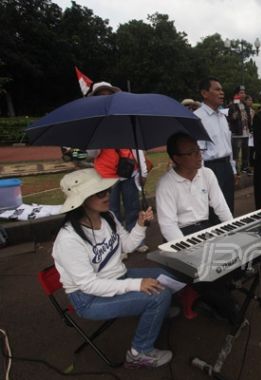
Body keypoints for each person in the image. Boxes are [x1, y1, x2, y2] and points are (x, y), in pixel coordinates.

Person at [51, 168, 173, 368]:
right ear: (82, 199)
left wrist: (141, 225)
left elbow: (128, 245)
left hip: (118, 277)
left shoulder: (107, 216)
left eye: (107, 190)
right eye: (100, 192)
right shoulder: (68, 239)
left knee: (166, 275)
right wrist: (136, 285)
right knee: (159, 296)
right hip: (88, 299)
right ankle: (139, 353)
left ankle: (157, 311)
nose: (107, 195)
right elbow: (89, 285)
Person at [90, 82, 149, 252]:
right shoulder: (94, 121)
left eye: (109, 94)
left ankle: (135, 239)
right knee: (110, 211)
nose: (106, 98)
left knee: (132, 208)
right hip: (106, 175)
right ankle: (115, 245)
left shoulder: (124, 116)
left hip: (129, 171)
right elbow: (91, 153)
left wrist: (143, 170)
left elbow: (136, 145)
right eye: (101, 95)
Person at [156, 133, 233, 241]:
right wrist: (185, 247)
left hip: (205, 228)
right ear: (177, 158)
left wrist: (233, 228)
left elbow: (221, 206)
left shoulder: (207, 174)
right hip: (179, 233)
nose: (199, 155)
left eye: (199, 150)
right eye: (192, 152)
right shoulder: (165, 184)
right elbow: (168, 226)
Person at [194, 77, 237, 214]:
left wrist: (233, 169)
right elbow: (198, 151)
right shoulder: (198, 118)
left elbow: (228, 145)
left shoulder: (222, 117)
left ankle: (228, 234)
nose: (222, 93)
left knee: (228, 207)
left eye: (222, 90)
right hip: (210, 168)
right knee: (213, 210)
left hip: (226, 168)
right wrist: (200, 177)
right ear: (204, 93)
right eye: (217, 89)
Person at [228, 86, 250, 175]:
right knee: (235, 154)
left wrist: (250, 128)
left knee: (246, 153)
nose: (243, 94)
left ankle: (245, 168)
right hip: (237, 133)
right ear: (236, 94)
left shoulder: (245, 105)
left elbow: (248, 119)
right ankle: (235, 170)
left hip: (246, 133)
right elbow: (231, 119)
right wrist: (235, 110)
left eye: (244, 92)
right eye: (241, 92)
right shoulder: (232, 105)